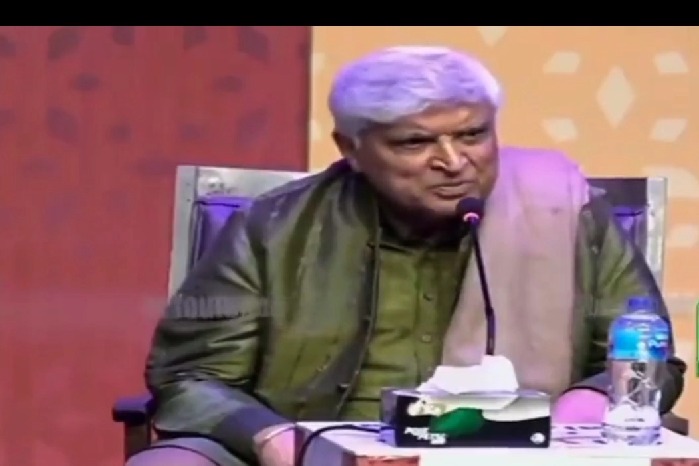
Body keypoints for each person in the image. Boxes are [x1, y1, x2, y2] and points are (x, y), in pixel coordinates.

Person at [127, 46, 686, 466]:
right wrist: (273, 439)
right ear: (351, 148)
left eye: (473, 135)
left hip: (518, 450)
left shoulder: (564, 210)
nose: (453, 161)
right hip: (317, 451)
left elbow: (649, 364)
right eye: (415, 143)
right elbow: (192, 376)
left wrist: (572, 422)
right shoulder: (272, 228)